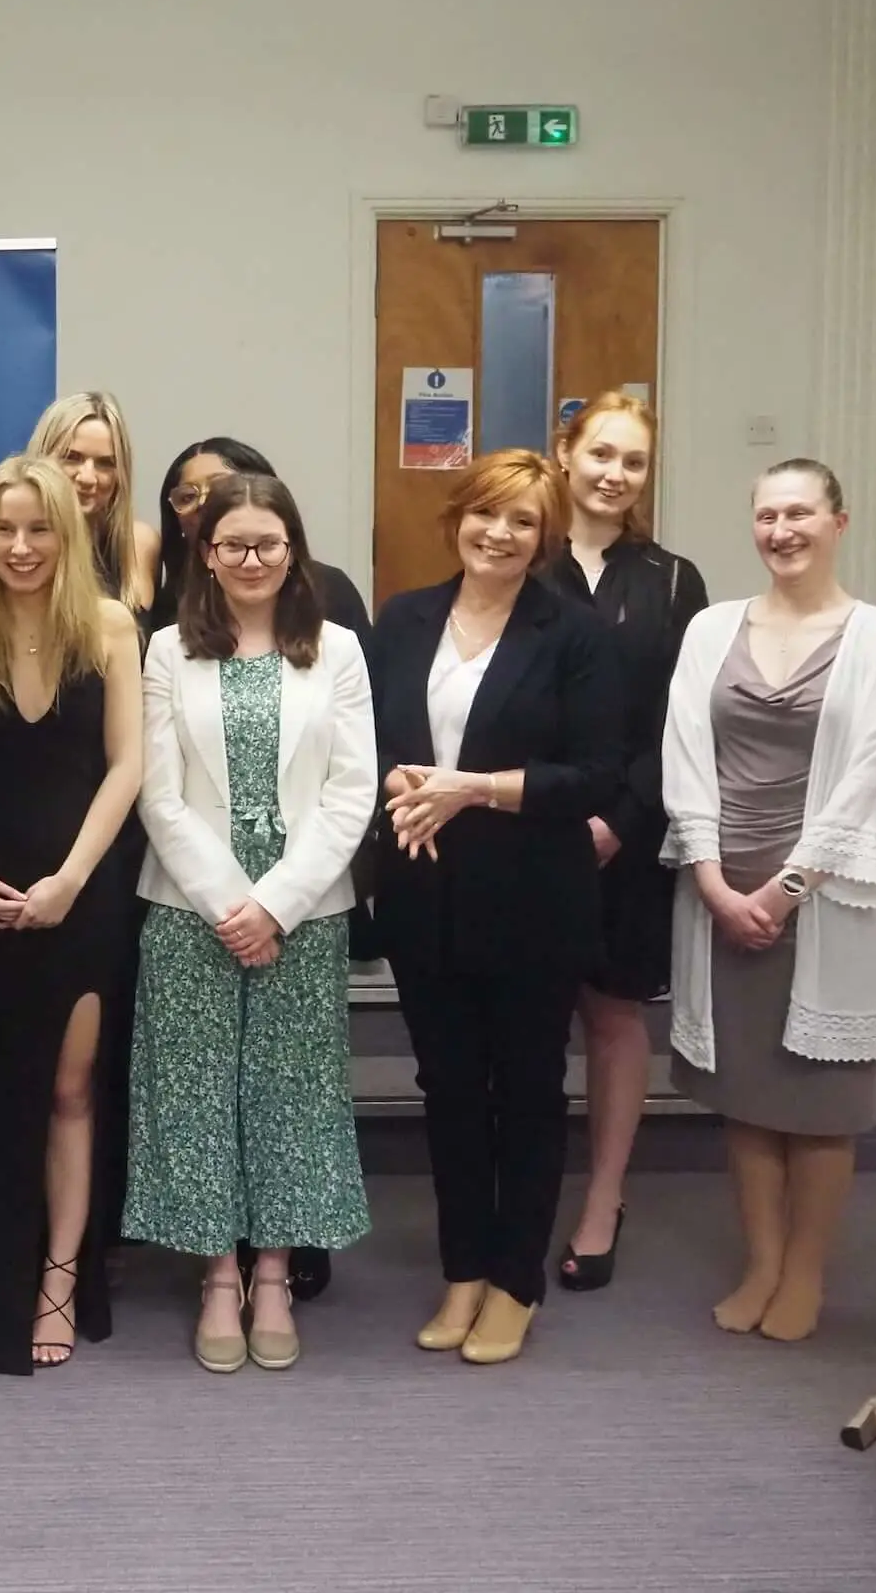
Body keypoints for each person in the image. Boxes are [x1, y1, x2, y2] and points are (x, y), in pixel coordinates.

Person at [365, 450, 621, 1368]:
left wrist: (474, 787)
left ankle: (516, 1281)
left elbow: (595, 775)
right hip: (423, 897)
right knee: (448, 1093)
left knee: (526, 1093)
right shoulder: (404, 619)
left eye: (522, 521)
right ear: (457, 519)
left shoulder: (576, 634)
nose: (500, 534)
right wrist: (399, 775)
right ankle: (462, 1269)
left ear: (544, 535)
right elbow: (373, 739)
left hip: (531, 904)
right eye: (485, 515)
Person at [125, 473, 378, 1374]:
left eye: (268, 544)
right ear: (205, 553)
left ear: (293, 551)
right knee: (195, 1092)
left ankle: (274, 1272)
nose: (251, 559)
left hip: (305, 909)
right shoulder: (165, 651)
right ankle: (219, 1276)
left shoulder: (338, 649)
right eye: (232, 544)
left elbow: (353, 790)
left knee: (290, 1094)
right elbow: (157, 791)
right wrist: (232, 901)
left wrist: (275, 904)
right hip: (191, 904)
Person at [664, 459, 876, 1344]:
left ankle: (804, 1273)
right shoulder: (709, 628)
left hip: (825, 891)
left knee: (818, 1101)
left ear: (838, 523)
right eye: (767, 515)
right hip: (719, 882)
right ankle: (761, 1263)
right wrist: (708, 876)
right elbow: (684, 751)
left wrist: (786, 888)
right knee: (746, 1092)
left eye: (800, 513)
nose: (782, 531)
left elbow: (869, 778)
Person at [0, 457, 142, 1373]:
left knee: (68, 1091)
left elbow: (126, 767)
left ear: (70, 532)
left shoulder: (108, 625)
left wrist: (69, 880)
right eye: (4, 530)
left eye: (40, 529)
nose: (22, 548)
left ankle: (60, 1275)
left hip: (81, 897)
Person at [543, 393, 708, 1292]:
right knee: (527, 1017)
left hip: (628, 834)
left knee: (613, 1015)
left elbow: (677, 724)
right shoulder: (518, 552)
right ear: (564, 453)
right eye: (600, 453)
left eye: (633, 462)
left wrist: (618, 822)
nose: (614, 474)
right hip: (529, 833)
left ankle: (604, 1197)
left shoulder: (674, 582)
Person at [153, 437, 371, 640]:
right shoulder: (169, 607)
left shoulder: (327, 589)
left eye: (220, 487)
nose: (203, 503)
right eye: (187, 497)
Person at [27, 391, 158, 614]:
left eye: (105, 463)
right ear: (42, 458)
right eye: (71, 457)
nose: (88, 478)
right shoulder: (14, 546)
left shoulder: (137, 543)